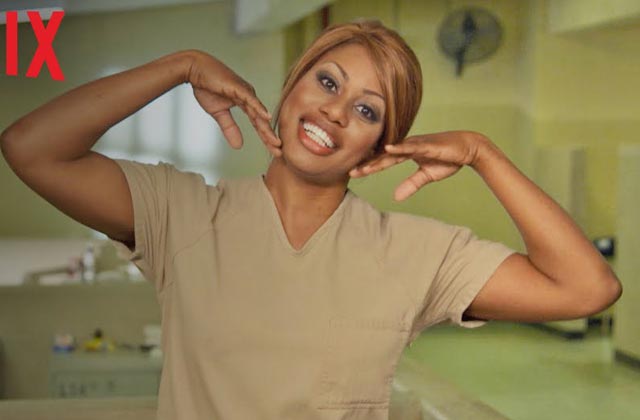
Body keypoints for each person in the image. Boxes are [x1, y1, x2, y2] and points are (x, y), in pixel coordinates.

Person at [0, 19, 621, 420]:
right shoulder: (182, 214)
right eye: (326, 82)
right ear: (290, 89)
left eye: (367, 110)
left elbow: (587, 288)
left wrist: (484, 154)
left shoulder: (415, 253)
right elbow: (30, 148)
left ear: (379, 149)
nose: (335, 111)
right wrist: (180, 65)